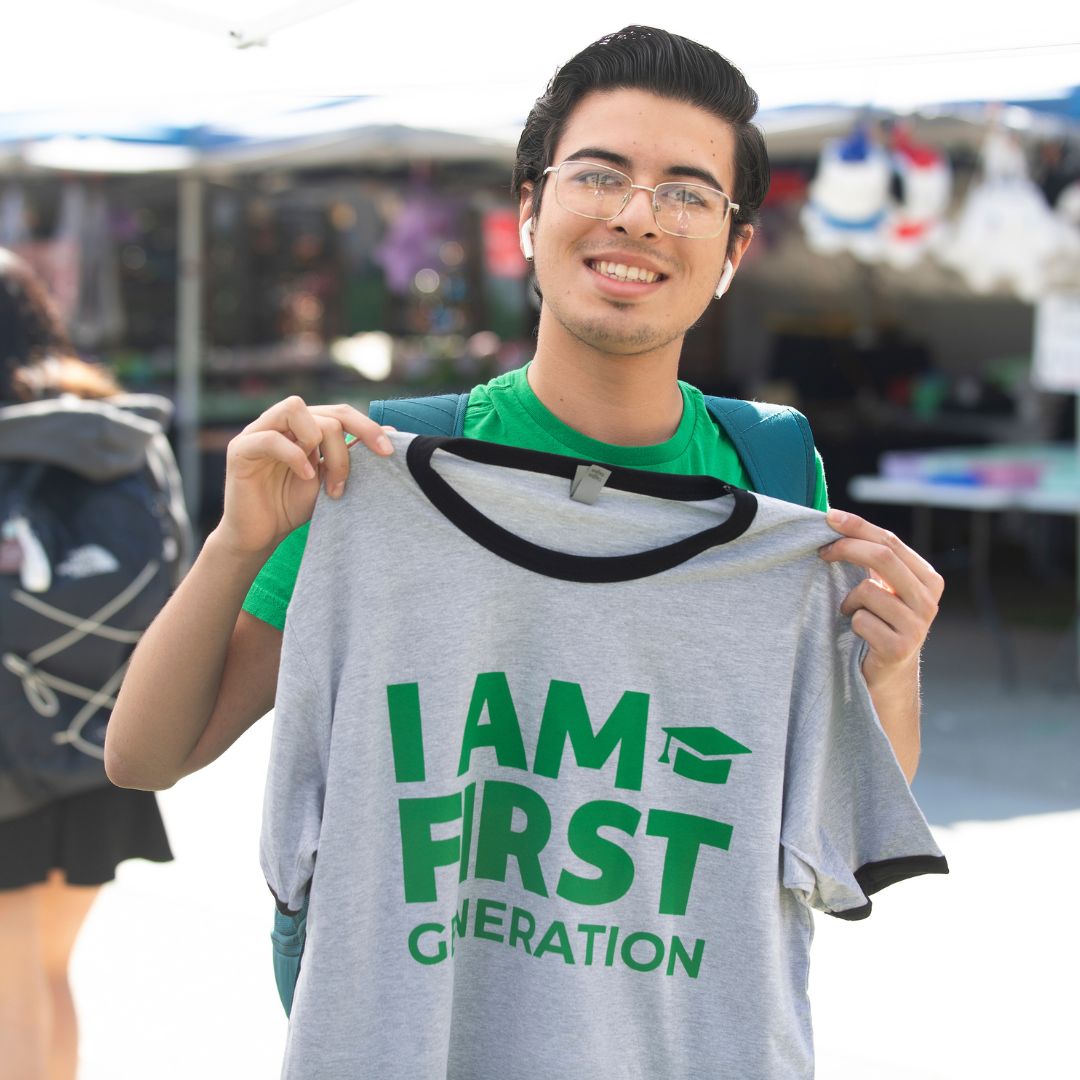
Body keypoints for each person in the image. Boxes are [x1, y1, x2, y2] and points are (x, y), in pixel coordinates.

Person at [105, 24, 944, 1072]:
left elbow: (825, 832)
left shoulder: (773, 471)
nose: (638, 215)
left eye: (688, 192)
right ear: (530, 209)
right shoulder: (376, 472)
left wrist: (891, 671)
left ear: (732, 254)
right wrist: (237, 543)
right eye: (601, 175)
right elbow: (143, 756)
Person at [0, 249, 174, 1080]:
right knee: (46, 971)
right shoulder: (113, 426)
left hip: (7, 750)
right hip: (97, 731)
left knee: (7, 982)